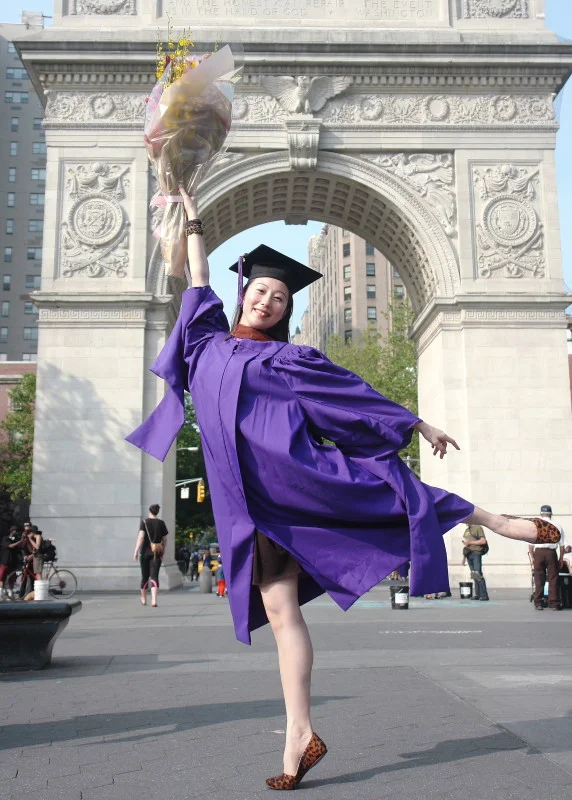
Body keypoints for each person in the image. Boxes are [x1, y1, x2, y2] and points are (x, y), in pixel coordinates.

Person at [126, 186, 561, 790]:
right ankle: (300, 736)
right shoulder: (204, 342)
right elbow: (197, 277)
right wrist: (192, 214)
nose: (268, 301)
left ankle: (492, 520)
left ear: (284, 309)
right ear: (243, 295)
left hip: (295, 480)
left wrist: (416, 421)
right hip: (243, 505)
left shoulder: (292, 360)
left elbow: (352, 396)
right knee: (280, 615)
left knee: (384, 494)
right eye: (259, 292)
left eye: (279, 297)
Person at [529, 504, 565, 611]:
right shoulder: (557, 525)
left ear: (541, 513)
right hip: (551, 552)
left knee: (539, 578)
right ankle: (554, 603)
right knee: (553, 578)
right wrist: (561, 558)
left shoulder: (536, 524)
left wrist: (532, 557)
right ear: (551, 514)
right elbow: (562, 545)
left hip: (539, 552)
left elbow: (530, 544)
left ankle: (538, 603)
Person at [133, 504, 169, 607]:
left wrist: (136, 551)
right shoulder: (161, 523)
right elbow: (165, 539)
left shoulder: (144, 522)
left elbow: (141, 538)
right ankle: (154, 600)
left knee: (145, 576)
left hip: (144, 553)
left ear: (149, 511)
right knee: (154, 576)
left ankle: (143, 599)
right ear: (157, 512)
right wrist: (163, 549)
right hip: (157, 552)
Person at [462, 523, 489, 601]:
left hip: (476, 553)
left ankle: (484, 595)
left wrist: (470, 543)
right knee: (474, 574)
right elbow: (466, 545)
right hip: (468, 554)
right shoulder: (466, 530)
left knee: (478, 574)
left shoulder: (478, 528)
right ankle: (478, 594)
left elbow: (483, 541)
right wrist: (463, 558)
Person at [0, 526, 23, 599]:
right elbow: (10, 546)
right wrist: (20, 541)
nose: (16, 533)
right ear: (11, 531)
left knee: (12, 579)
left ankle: (10, 592)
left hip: (13, 562)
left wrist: (22, 540)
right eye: (15, 531)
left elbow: (21, 547)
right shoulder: (5, 538)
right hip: (5, 562)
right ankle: (0, 593)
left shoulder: (16, 540)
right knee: (1, 578)